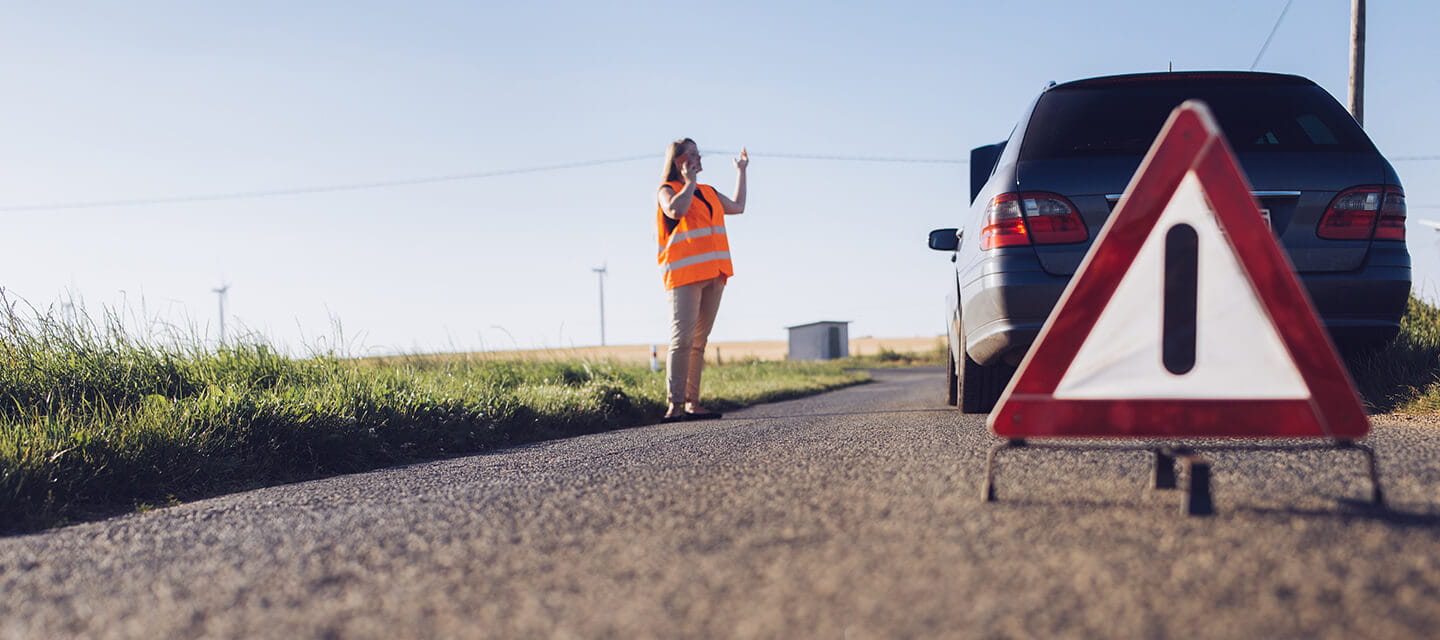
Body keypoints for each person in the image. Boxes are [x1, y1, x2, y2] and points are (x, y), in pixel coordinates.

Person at [655, 138, 748, 423]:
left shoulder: (708, 192)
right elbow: (676, 211)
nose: (699, 157)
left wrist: (741, 171)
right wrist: (689, 182)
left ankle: (693, 404)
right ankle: (675, 405)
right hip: (684, 275)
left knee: (699, 342)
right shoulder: (667, 190)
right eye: (693, 154)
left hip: (715, 273)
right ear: (680, 160)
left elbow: (738, 207)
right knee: (681, 339)